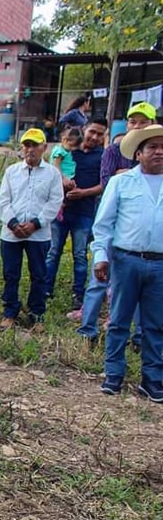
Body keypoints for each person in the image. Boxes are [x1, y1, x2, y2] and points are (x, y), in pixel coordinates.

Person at [90, 123, 163, 401]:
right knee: (119, 320)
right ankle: (113, 374)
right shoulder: (122, 182)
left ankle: (153, 379)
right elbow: (104, 224)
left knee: (156, 325)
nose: (159, 152)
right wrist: (101, 257)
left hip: (160, 264)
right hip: (126, 260)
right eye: (153, 147)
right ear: (139, 153)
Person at [75, 102, 155, 342]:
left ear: (152, 125)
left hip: (140, 235)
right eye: (133, 121)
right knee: (99, 277)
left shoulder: (155, 156)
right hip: (112, 225)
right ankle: (87, 329)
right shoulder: (113, 150)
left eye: (143, 122)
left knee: (143, 289)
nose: (137, 126)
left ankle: (139, 337)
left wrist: (122, 174)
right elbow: (107, 181)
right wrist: (124, 175)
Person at [0, 129, 63, 332]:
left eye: (35, 145)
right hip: (11, 234)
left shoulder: (52, 174)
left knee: (39, 274)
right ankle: (10, 312)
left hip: (39, 235)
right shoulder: (12, 172)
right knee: (11, 273)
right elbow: (3, 201)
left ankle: (36, 314)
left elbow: (55, 202)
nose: (30, 149)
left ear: (44, 147)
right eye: (27, 145)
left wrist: (35, 223)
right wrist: (14, 224)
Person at [43, 118, 107, 309]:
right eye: (92, 132)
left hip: (84, 212)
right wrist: (61, 178)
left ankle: (78, 295)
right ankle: (45, 290)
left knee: (80, 254)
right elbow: (51, 168)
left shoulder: (102, 156)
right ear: (84, 129)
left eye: (100, 134)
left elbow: (105, 185)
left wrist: (84, 193)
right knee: (52, 252)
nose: (94, 137)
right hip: (60, 210)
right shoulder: (69, 148)